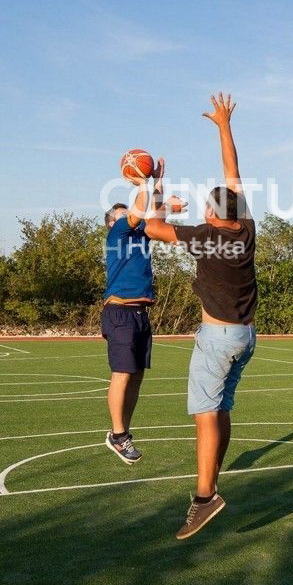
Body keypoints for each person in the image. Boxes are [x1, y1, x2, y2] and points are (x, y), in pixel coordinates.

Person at [146, 93, 257, 540]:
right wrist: (224, 127)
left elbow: (151, 227)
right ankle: (213, 476)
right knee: (221, 407)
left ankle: (205, 497)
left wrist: (154, 188)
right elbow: (234, 174)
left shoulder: (204, 236)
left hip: (218, 338)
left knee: (205, 413)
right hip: (246, 337)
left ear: (212, 214)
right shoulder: (244, 229)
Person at [101, 158, 170, 464]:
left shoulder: (141, 235)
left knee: (137, 376)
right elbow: (140, 210)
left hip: (141, 314)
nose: (131, 216)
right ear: (112, 222)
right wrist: (143, 180)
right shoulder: (117, 235)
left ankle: (123, 432)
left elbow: (157, 215)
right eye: (124, 215)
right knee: (122, 373)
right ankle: (117, 436)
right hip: (120, 313)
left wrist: (157, 182)